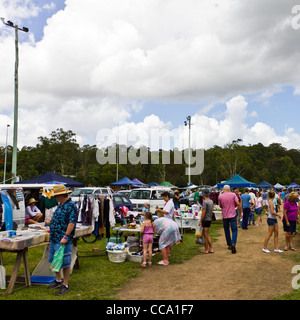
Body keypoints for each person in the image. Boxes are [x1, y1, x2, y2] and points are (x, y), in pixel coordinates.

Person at [47, 185, 78, 295]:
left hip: (63, 239)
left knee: (65, 262)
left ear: (61, 195)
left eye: (56, 196)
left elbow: (72, 222)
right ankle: (58, 280)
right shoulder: (60, 205)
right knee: (55, 260)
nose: (55, 198)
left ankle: (65, 284)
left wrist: (65, 236)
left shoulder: (71, 206)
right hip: (54, 238)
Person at [218, 185, 241, 254]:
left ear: (224, 189)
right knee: (234, 229)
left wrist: (224, 206)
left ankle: (229, 244)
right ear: (229, 189)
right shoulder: (233, 195)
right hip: (232, 214)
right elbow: (238, 203)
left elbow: (220, 205)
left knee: (226, 230)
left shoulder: (220, 196)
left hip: (225, 215)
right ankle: (233, 243)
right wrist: (234, 206)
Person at [199, 189, 214, 254]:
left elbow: (203, 212)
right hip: (210, 218)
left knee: (206, 234)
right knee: (206, 234)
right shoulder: (211, 201)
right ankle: (206, 249)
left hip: (206, 219)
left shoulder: (205, 202)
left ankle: (211, 247)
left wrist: (200, 220)